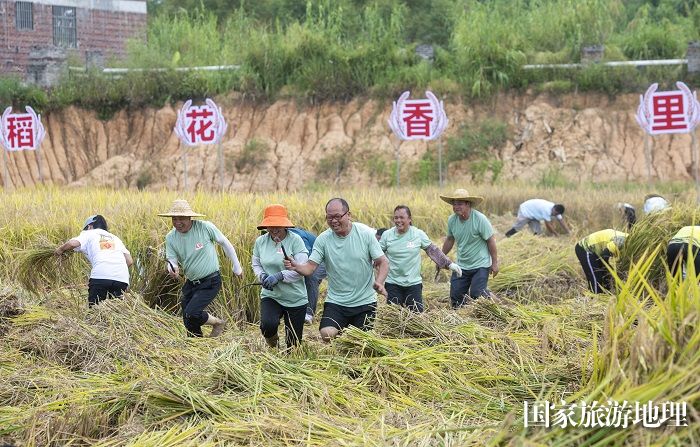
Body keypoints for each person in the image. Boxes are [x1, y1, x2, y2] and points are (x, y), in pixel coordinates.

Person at [285, 198, 389, 342]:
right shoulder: (323, 239)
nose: (334, 221)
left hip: (364, 301)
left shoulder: (365, 234)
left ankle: (349, 332)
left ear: (348, 214)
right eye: (329, 217)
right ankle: (343, 331)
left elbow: (383, 262)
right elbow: (310, 268)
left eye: (337, 216)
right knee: (326, 334)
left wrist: (379, 282)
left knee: (361, 343)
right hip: (337, 301)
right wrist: (296, 266)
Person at [158, 199, 242, 337]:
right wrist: (172, 268)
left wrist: (237, 267)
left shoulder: (205, 227)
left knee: (192, 313)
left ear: (190, 217)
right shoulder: (171, 237)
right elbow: (171, 260)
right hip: (191, 283)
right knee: (188, 319)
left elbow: (225, 243)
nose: (178, 222)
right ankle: (196, 343)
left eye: (181, 218)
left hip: (210, 281)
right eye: (174, 219)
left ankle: (217, 323)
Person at [379, 205, 462, 312]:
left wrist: (449, 264)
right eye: (396, 218)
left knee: (416, 316)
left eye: (402, 217)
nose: (398, 220)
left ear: (409, 219)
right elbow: (377, 254)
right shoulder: (387, 235)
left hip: (413, 284)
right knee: (393, 317)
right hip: (393, 283)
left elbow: (432, 250)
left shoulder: (417, 234)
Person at [252, 204, 309, 349]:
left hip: (295, 297)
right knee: (267, 326)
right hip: (272, 295)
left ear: (285, 225)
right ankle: (274, 345)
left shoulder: (296, 240)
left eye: (278, 225)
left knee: (293, 344)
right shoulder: (261, 242)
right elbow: (256, 264)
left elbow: (301, 269)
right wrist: (262, 275)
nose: (274, 229)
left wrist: (279, 276)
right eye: (270, 226)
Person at [55, 215, 133, 306]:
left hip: (101, 275)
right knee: (117, 310)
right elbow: (130, 261)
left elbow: (72, 243)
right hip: (121, 278)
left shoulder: (89, 233)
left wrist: (60, 250)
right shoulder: (115, 238)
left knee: (95, 310)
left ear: (89, 226)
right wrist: (114, 269)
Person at [439, 189, 499, 308]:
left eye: (460, 203)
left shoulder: (480, 219)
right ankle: (464, 318)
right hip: (462, 264)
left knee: (477, 294)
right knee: (456, 298)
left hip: (480, 264)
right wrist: (441, 258)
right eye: (454, 204)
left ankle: (492, 298)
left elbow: (490, 240)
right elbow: (450, 239)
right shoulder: (452, 220)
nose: (456, 206)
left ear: (468, 204)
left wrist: (495, 263)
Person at [287, 227, 327, 325]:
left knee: (311, 277)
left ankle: (308, 314)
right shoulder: (274, 237)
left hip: (321, 260)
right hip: (303, 262)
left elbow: (308, 261)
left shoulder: (298, 237)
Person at [574, 229, 627, 293]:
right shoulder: (620, 242)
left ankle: (606, 296)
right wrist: (612, 271)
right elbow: (603, 257)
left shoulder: (629, 241)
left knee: (606, 277)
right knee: (596, 279)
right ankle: (595, 299)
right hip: (586, 248)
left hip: (598, 252)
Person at [505, 199, 570, 237]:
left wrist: (568, 232)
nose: (554, 215)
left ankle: (532, 244)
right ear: (554, 208)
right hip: (525, 211)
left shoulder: (556, 211)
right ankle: (506, 236)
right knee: (517, 228)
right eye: (554, 213)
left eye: (556, 214)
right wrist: (556, 234)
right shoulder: (546, 209)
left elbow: (562, 221)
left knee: (537, 233)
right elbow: (548, 226)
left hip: (534, 215)